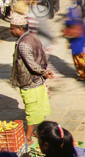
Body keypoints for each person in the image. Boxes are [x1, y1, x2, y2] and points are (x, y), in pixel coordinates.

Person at [9, 15, 53, 143]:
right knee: (39, 107)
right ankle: (37, 131)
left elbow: (31, 64)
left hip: (30, 81)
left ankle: (28, 137)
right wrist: (44, 72)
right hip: (38, 80)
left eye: (12, 29)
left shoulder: (23, 44)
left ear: (19, 29)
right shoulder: (33, 37)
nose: (11, 31)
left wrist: (43, 72)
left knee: (32, 109)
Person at [63, 0, 85, 81]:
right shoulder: (80, 5)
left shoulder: (73, 7)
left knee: (77, 56)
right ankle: (83, 72)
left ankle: (83, 74)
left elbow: (72, 21)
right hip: (81, 32)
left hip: (76, 34)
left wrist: (67, 21)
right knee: (81, 54)